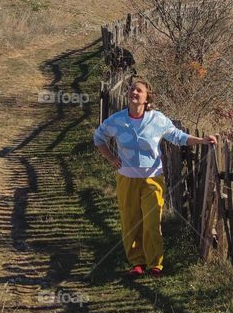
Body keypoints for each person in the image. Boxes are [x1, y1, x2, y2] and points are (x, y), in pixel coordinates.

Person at [93, 77, 218, 277]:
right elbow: (98, 137)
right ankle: (136, 263)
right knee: (130, 220)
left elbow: (178, 137)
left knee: (152, 222)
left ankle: (155, 264)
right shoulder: (117, 120)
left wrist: (202, 140)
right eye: (132, 89)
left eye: (139, 91)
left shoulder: (157, 120)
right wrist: (111, 158)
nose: (134, 93)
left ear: (146, 97)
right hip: (127, 180)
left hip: (153, 179)